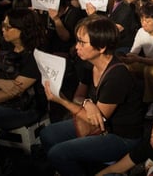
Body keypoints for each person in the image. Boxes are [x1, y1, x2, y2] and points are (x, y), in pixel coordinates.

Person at [40, 15, 144, 176]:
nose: (76, 47)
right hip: (98, 124)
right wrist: (88, 103)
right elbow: (79, 97)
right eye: (77, 41)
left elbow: (96, 121)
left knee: (58, 153)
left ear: (101, 47)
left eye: (82, 42)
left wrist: (61, 100)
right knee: (47, 134)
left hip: (121, 136)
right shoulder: (89, 64)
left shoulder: (117, 75)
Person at [0, 9, 46, 160]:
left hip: (25, 108)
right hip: (4, 102)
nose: (3, 30)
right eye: (3, 25)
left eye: (8, 27)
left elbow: (13, 91)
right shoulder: (6, 48)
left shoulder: (35, 56)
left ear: (23, 30)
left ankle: (0, 160)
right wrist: (0, 82)